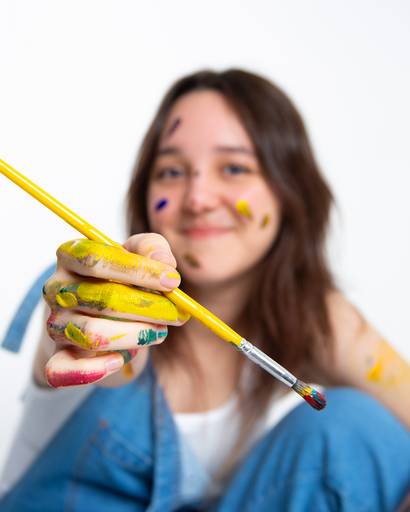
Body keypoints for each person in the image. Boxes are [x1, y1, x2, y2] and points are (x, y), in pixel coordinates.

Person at [0, 69, 409, 511]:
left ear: (290, 190)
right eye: (172, 171)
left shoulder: (319, 321)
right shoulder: (96, 290)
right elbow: (82, 337)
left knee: (355, 430)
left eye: (234, 168)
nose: (197, 198)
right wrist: (86, 324)